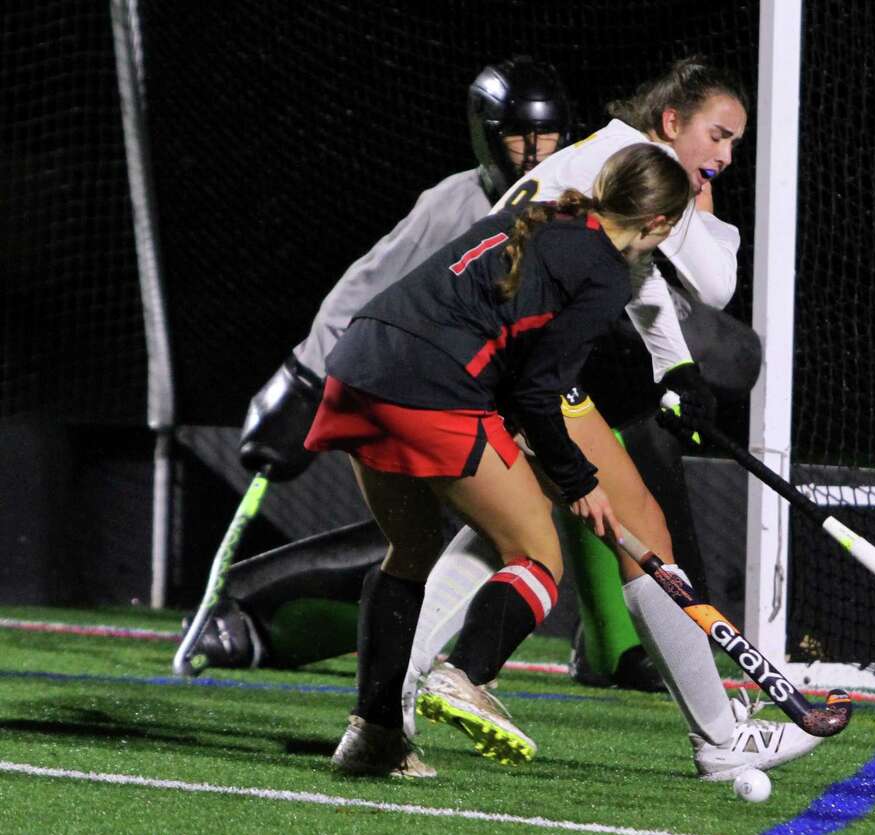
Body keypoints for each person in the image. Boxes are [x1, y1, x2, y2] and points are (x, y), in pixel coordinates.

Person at [360, 59, 823, 783]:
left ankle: (393, 706)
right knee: (641, 531)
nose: (726, 156)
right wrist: (701, 209)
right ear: (671, 121)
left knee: (505, 532)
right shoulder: (638, 162)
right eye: (718, 135)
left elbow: (637, 273)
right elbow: (712, 283)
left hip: (467, 354)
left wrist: (675, 367)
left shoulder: (607, 156)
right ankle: (718, 737)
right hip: (509, 363)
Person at [181, 56, 668, 693]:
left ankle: (598, 651)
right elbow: (369, 284)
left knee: (461, 534)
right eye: (518, 137)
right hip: (433, 392)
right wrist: (301, 375)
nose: (534, 153)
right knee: (455, 542)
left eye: (547, 136)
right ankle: (269, 625)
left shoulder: (566, 208)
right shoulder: (455, 204)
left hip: (489, 393)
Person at [306, 144, 692, 779]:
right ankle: (466, 674)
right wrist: (580, 481)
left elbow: (512, 361)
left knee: (410, 550)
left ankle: (373, 735)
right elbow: (539, 392)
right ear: (659, 224)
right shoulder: (604, 275)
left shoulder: (545, 215)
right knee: (537, 556)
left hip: (357, 366)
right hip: (429, 385)